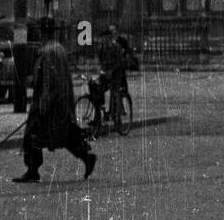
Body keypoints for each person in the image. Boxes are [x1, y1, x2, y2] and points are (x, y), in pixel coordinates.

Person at [14, 26, 96, 183]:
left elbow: (49, 79)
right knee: (64, 134)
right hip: (61, 101)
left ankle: (32, 170)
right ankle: (86, 156)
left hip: (49, 102)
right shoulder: (59, 48)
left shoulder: (47, 51)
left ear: (42, 33)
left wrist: (44, 101)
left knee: (33, 133)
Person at [98, 24, 134, 118]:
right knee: (98, 89)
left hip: (116, 72)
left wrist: (111, 71)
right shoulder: (101, 48)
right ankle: (101, 112)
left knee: (115, 91)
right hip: (107, 72)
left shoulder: (116, 46)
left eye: (105, 38)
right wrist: (102, 71)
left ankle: (117, 114)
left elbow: (120, 61)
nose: (103, 40)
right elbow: (101, 61)